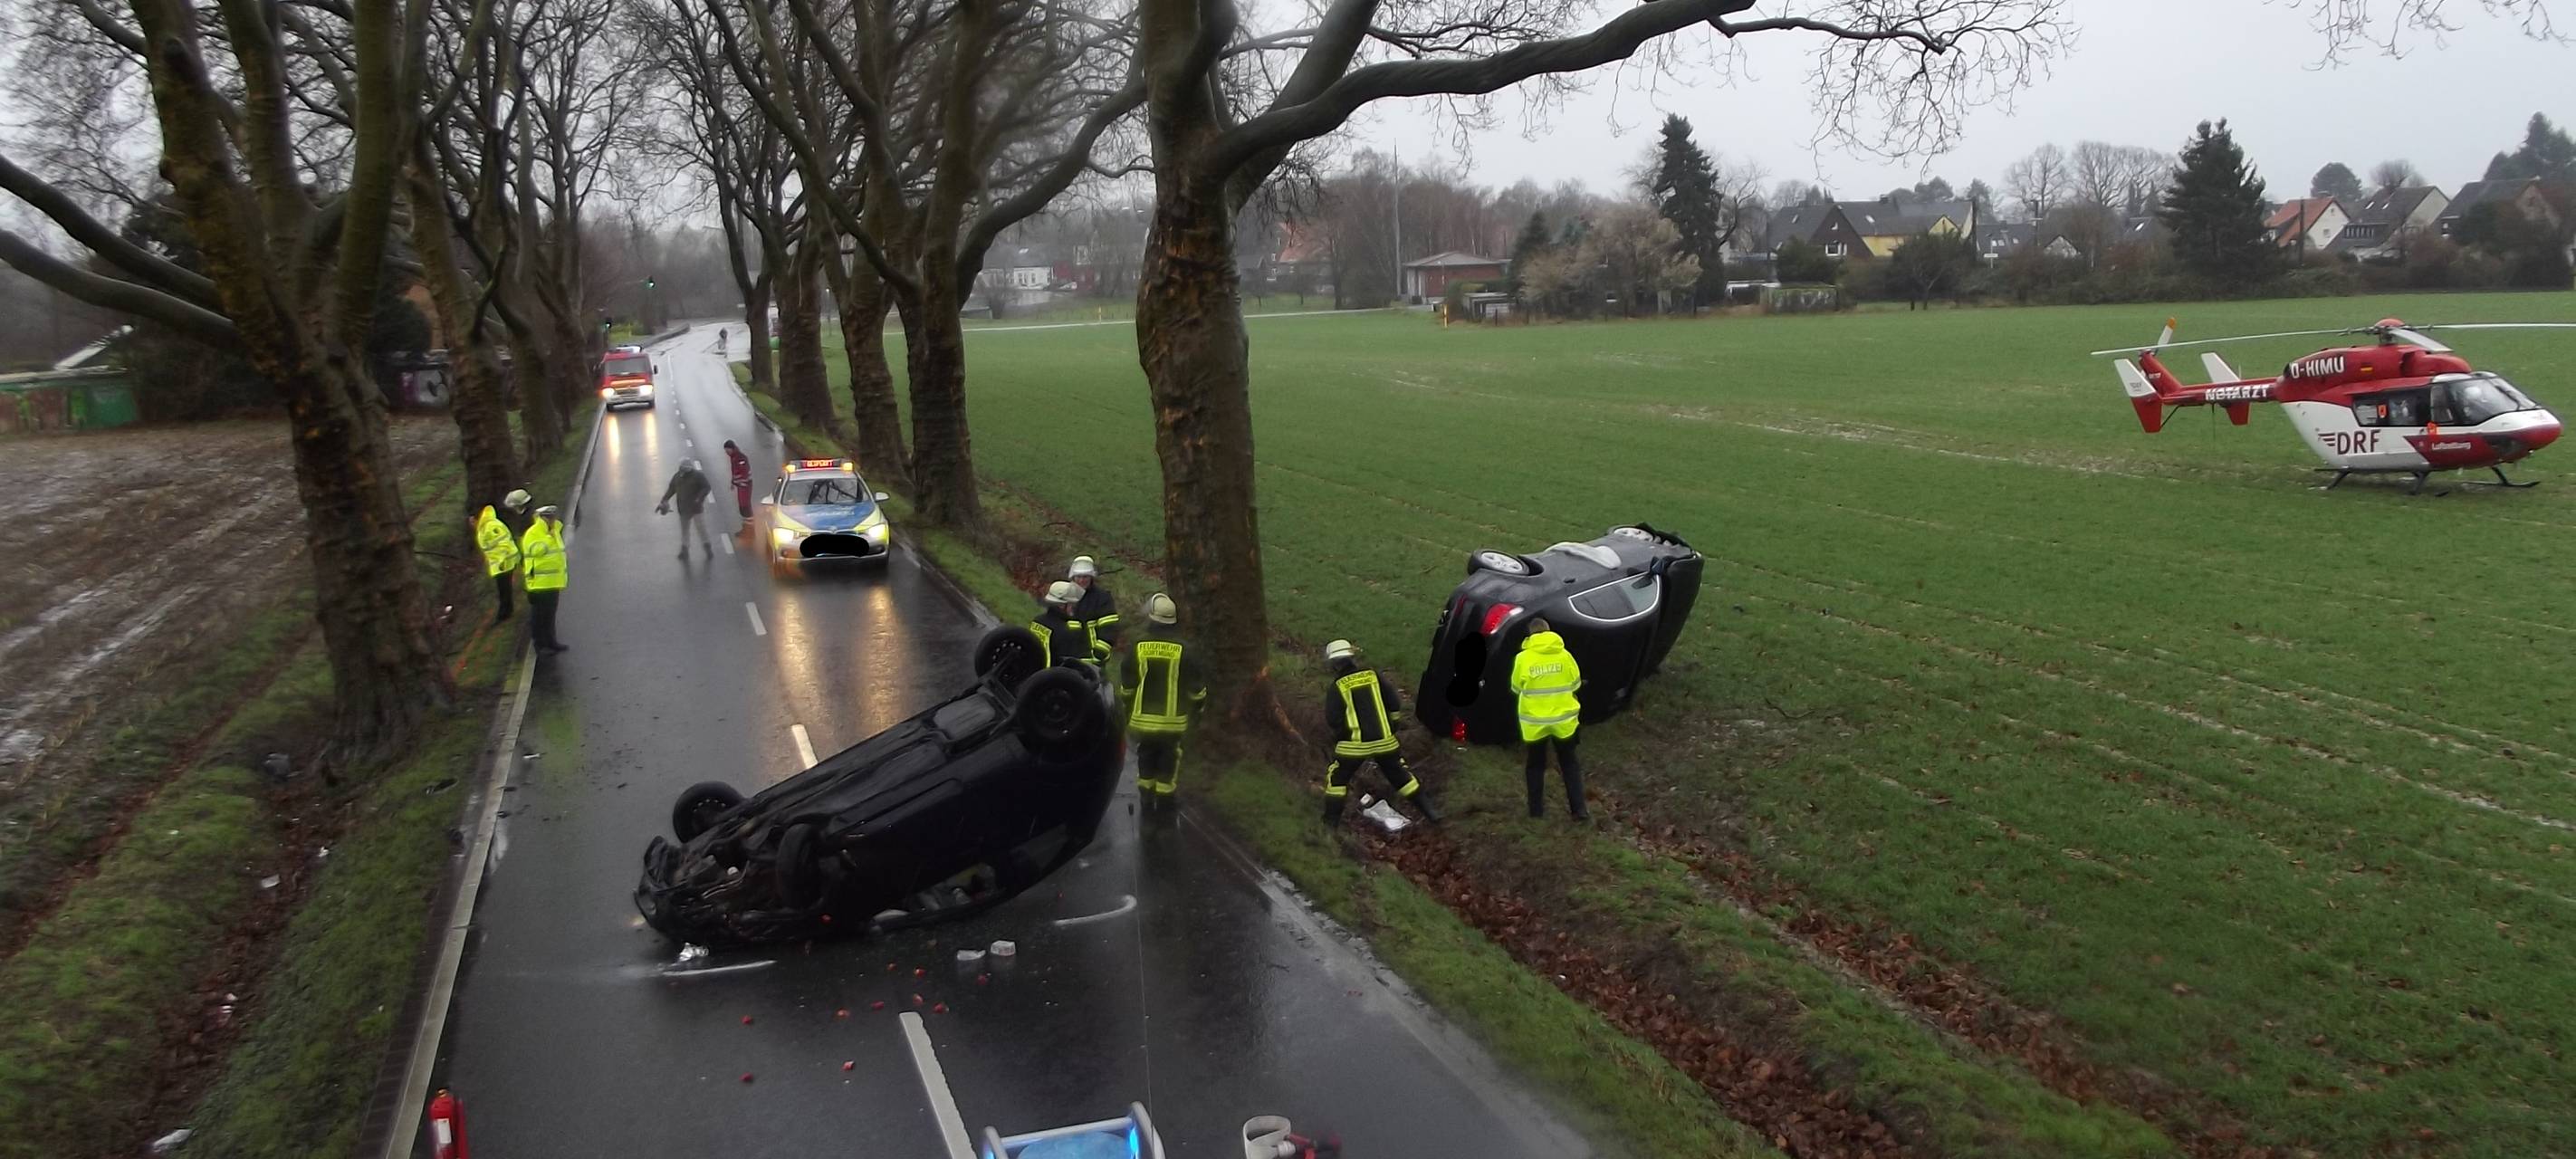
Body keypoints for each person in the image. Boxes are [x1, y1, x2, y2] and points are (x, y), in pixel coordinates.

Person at [1320, 638, 1439, 827]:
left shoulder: (1338, 686)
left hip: (1354, 746)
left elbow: (1333, 719)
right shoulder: (1373, 675)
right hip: (1385, 741)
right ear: (1352, 657)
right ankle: (1431, 813)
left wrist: (1342, 736)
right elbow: (1394, 703)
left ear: (1333, 664)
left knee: (1337, 780)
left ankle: (1330, 823)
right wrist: (1392, 726)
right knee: (1401, 777)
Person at [1116, 593, 1204, 808]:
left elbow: (1127, 683)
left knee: (1145, 753)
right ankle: (1165, 798)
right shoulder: (1185, 651)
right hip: (1172, 723)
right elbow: (1196, 688)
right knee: (1169, 757)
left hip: (1143, 720)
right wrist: (1197, 711)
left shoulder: (1139, 646)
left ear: (1152, 618)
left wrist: (1126, 707)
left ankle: (1145, 792)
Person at [1510, 617, 1587, 820]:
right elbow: (1576, 683)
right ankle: (1579, 810)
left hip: (1535, 723)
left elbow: (1516, 687)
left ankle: (1536, 813)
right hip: (1564, 721)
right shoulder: (1565, 656)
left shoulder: (1523, 659)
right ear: (1549, 631)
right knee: (1569, 763)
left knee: (1535, 765)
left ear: (1530, 636)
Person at [475, 489, 531, 622]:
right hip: (504, 562)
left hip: (503, 564)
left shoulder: (489, 527)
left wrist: (501, 561)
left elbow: (503, 544)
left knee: (504, 591)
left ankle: (506, 613)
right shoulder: (486, 526)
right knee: (505, 590)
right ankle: (507, 611)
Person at [521, 504, 570, 654]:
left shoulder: (554, 531)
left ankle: (551, 641)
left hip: (553, 581)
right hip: (539, 583)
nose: (552, 520)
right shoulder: (533, 533)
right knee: (539, 616)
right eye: (549, 518)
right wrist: (549, 538)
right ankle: (539, 644)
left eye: (553, 517)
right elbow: (536, 551)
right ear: (542, 518)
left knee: (550, 614)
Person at [657, 458, 716, 558]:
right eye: (682, 468)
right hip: (683, 509)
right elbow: (671, 489)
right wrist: (664, 500)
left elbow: (706, 487)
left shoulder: (698, 476)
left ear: (689, 469)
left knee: (701, 529)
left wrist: (699, 498)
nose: (683, 470)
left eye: (684, 469)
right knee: (685, 530)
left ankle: (707, 548)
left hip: (696, 508)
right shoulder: (677, 477)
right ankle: (685, 550)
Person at [1067, 556, 1120, 665]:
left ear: (1091, 577)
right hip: (1067, 658)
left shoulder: (1102, 598)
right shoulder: (1065, 595)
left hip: (1093, 660)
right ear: (1073, 577)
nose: (1082, 580)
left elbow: (1109, 628)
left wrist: (1099, 653)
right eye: (1079, 577)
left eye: (1085, 577)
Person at [1029, 581, 1091, 668]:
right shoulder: (1065, 631)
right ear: (1062, 605)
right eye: (1072, 604)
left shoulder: (1038, 621)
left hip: (1032, 673)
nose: (1074, 607)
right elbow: (1070, 665)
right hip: (1052, 678)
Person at [723, 440, 754, 521]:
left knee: (745, 504)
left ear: (732, 449)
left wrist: (735, 481)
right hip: (741, 484)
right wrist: (733, 482)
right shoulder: (734, 457)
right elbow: (735, 472)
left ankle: (749, 521)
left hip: (745, 484)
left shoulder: (740, 458)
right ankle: (746, 520)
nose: (726, 453)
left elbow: (744, 472)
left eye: (727, 450)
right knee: (742, 503)